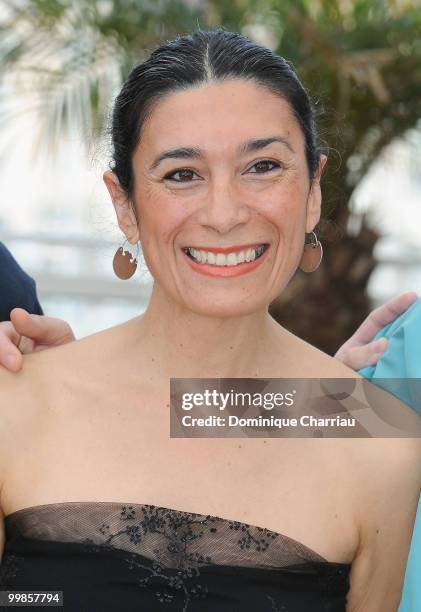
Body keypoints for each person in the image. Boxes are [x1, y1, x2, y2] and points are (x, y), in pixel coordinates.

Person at [0, 28, 420, 611]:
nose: (224, 213)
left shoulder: (383, 443)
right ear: (124, 205)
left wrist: (329, 399)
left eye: (263, 166)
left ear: (314, 192)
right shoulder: (16, 405)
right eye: (182, 174)